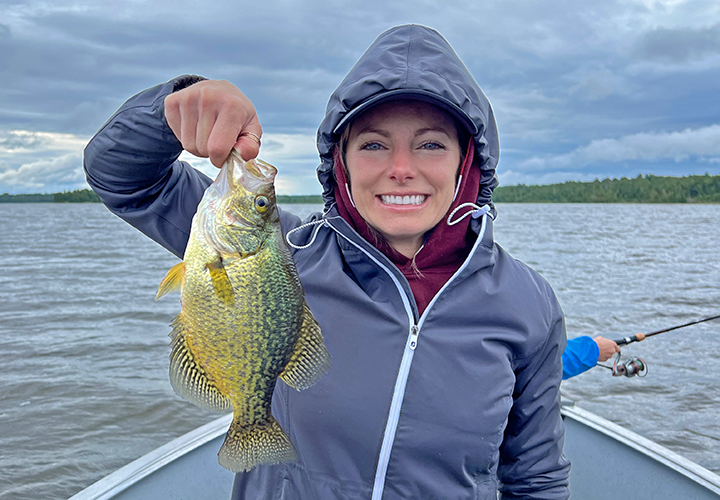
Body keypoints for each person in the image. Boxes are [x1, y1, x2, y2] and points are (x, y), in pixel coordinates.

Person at [84, 24, 570, 499]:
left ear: (467, 161)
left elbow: (536, 475)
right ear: (341, 162)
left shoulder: (527, 305)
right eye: (373, 144)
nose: (401, 169)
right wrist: (176, 106)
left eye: (431, 144)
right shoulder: (283, 248)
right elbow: (122, 177)